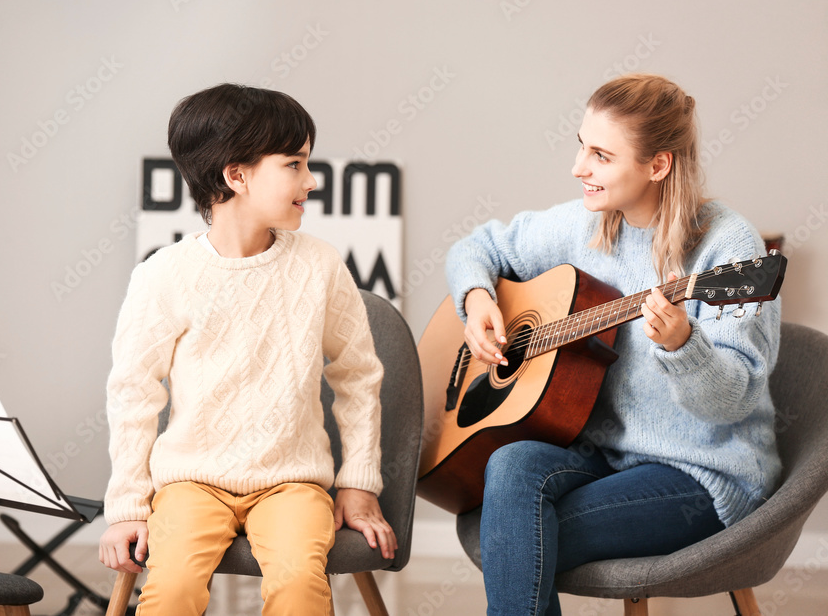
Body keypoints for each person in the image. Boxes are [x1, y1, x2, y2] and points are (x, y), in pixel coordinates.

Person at [445, 73, 781, 616]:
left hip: (703, 473)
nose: (579, 168)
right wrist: (478, 297)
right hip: (606, 457)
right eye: (582, 146)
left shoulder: (728, 247)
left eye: (600, 155)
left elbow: (734, 403)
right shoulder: (589, 223)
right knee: (509, 467)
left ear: (658, 165)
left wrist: (684, 347)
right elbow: (478, 246)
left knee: (512, 540)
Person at [97, 84, 396, 616]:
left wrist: (357, 483)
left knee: (301, 589)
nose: (312, 179)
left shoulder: (321, 266)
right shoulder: (164, 276)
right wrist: (125, 506)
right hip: (190, 482)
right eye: (295, 164)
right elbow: (133, 395)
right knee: (171, 592)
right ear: (236, 176)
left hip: (293, 482)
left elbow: (358, 376)